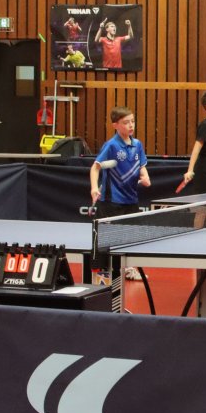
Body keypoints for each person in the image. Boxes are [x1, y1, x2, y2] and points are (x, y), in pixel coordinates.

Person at [90, 106, 151, 282]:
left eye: (132, 121)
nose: (131, 125)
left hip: (131, 198)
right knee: (106, 238)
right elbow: (95, 168)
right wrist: (94, 188)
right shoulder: (111, 146)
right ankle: (101, 273)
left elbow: (141, 166)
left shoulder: (137, 144)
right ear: (115, 125)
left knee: (130, 236)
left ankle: (128, 269)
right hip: (111, 200)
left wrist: (145, 177)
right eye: (126, 122)